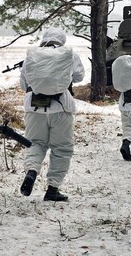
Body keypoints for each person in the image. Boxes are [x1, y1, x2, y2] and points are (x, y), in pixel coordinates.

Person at [18, 27, 84, 202]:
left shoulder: (32, 55)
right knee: (61, 148)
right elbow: (79, 77)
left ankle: (32, 171)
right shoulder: (69, 54)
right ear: (61, 40)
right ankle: (53, 188)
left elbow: (24, 84)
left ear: (44, 38)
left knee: (35, 143)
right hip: (61, 108)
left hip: (34, 108)